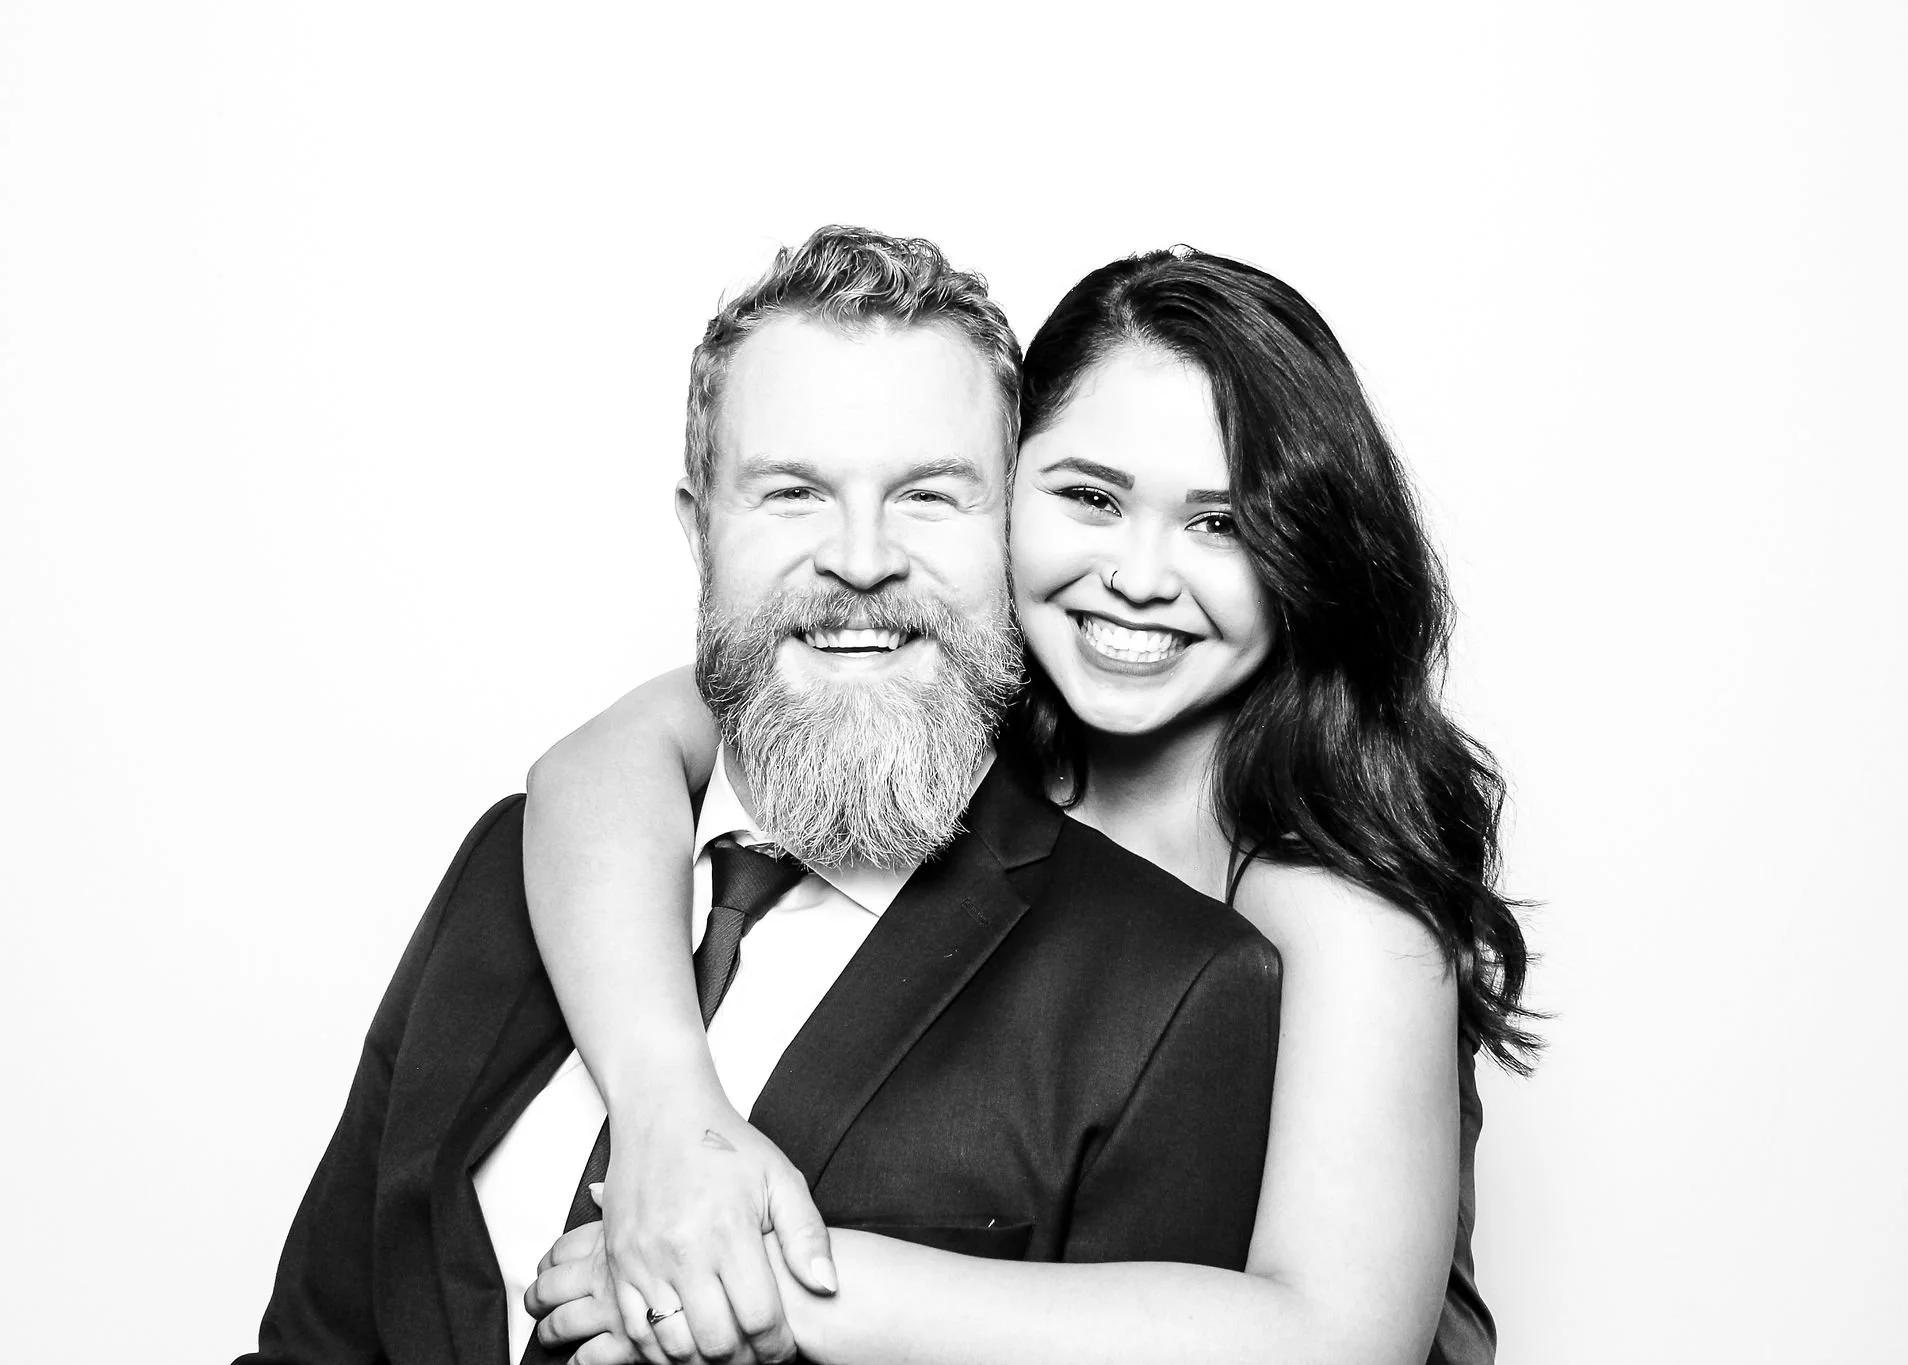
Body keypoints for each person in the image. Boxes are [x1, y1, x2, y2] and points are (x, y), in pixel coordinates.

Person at [234, 228, 1285, 1365]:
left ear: (1009, 538)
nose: (861, 560)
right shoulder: (520, 859)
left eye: (930, 498)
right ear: (699, 533)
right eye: (791, 493)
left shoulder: (1175, 992)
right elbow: (317, 1338)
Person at [519, 244, 1536, 1365]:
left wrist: (771, 1282)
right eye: (1090, 497)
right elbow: (593, 769)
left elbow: (1334, 1341)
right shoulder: (959, 720)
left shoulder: (1335, 902)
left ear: (1307, 556)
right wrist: (671, 1112)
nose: (1140, 576)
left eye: (1219, 523)